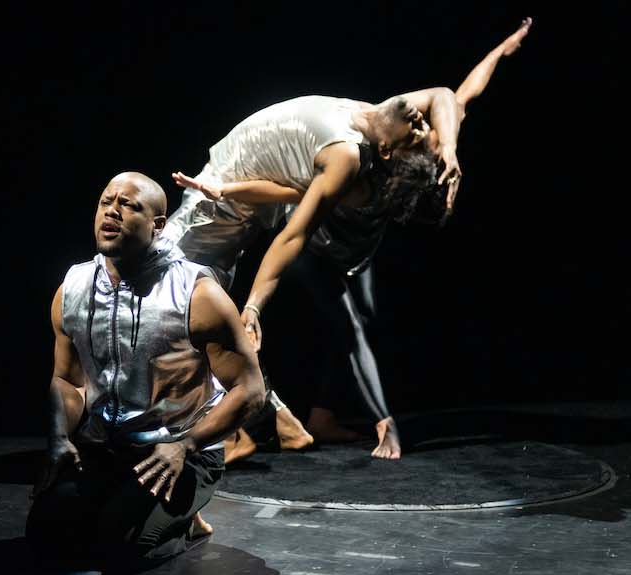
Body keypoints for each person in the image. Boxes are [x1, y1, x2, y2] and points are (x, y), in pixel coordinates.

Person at [170, 18, 535, 458]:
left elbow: (294, 231)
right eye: (423, 128)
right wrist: (500, 55)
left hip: (328, 238)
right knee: (354, 320)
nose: (420, 120)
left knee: (353, 323)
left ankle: (283, 421)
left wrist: (252, 305)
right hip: (318, 233)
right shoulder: (392, 135)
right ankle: (307, 419)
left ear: (388, 152)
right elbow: (453, 96)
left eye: (418, 130)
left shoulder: (351, 164)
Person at [26, 172, 265, 567]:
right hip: (107, 446)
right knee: (46, 537)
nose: (112, 211)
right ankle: (120, 503)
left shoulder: (196, 293)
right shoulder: (74, 288)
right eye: (106, 202)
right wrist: (59, 438)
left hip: (179, 449)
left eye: (129, 205)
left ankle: (187, 520)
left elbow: (250, 389)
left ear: (158, 224)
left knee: (128, 548)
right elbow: (68, 380)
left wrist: (184, 445)